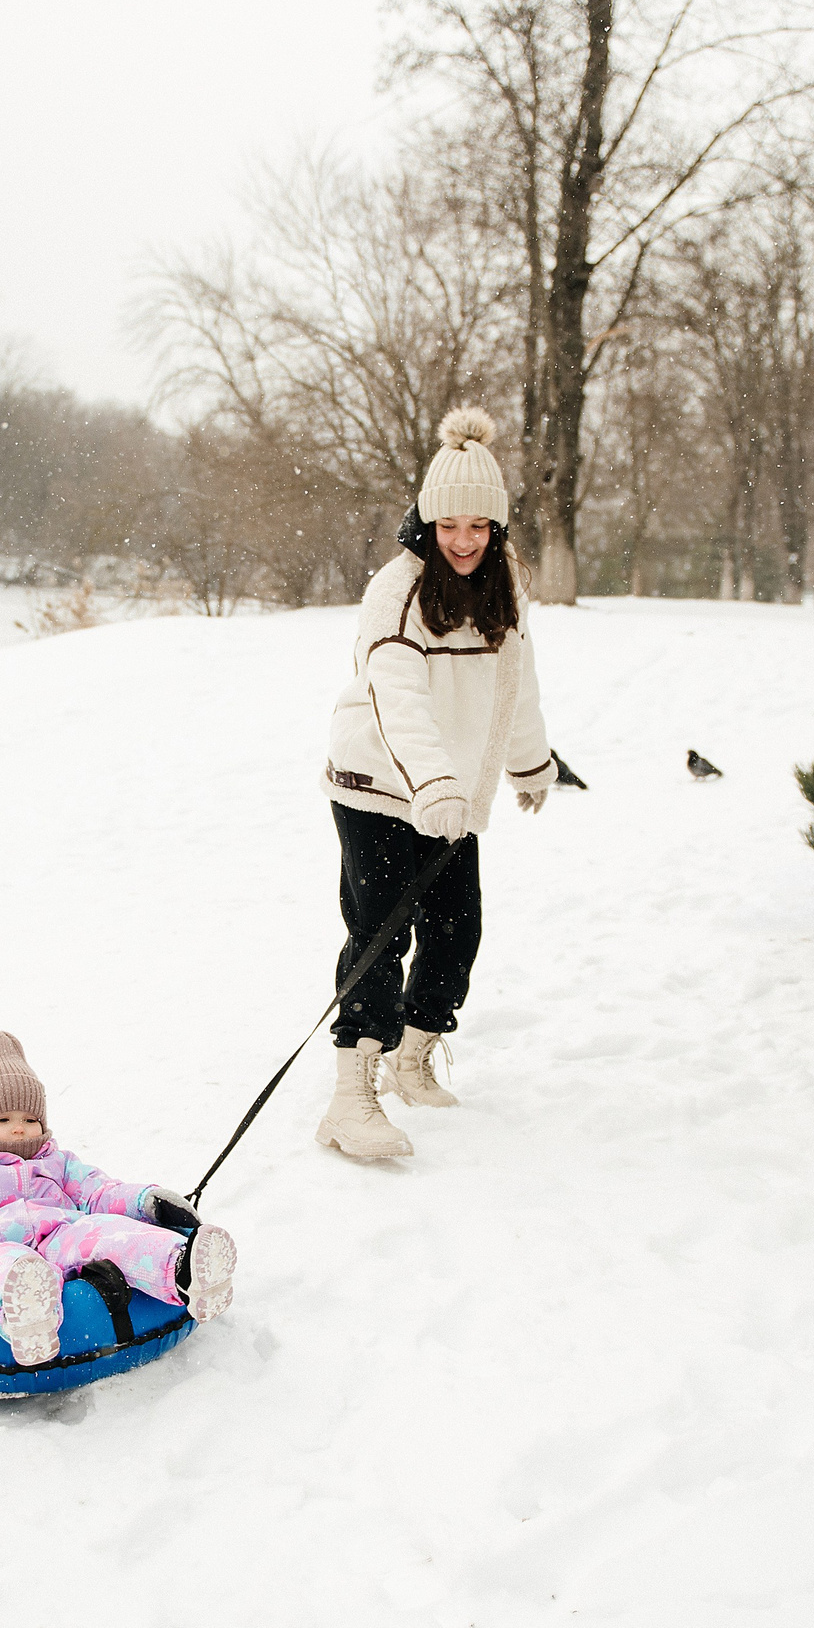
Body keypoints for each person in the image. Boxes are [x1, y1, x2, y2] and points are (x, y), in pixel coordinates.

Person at [315, 406, 554, 1160]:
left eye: (479, 525)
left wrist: (528, 760)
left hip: (448, 793)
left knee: (457, 932)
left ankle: (412, 1057)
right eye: (449, 523)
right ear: (426, 519)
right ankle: (353, 1092)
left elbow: (517, 680)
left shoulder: (503, 586)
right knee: (381, 930)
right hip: (378, 779)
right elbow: (396, 694)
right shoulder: (398, 590)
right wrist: (435, 781)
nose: (463, 539)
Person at [0, 1030, 237, 1366]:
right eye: (3, 1118)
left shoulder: (56, 1162)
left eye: (30, 1119)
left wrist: (148, 1202)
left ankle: (184, 1271)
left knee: (102, 1230)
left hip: (60, 1236)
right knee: (4, 1266)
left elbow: (100, 1192)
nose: (19, 1127)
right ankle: (28, 1319)